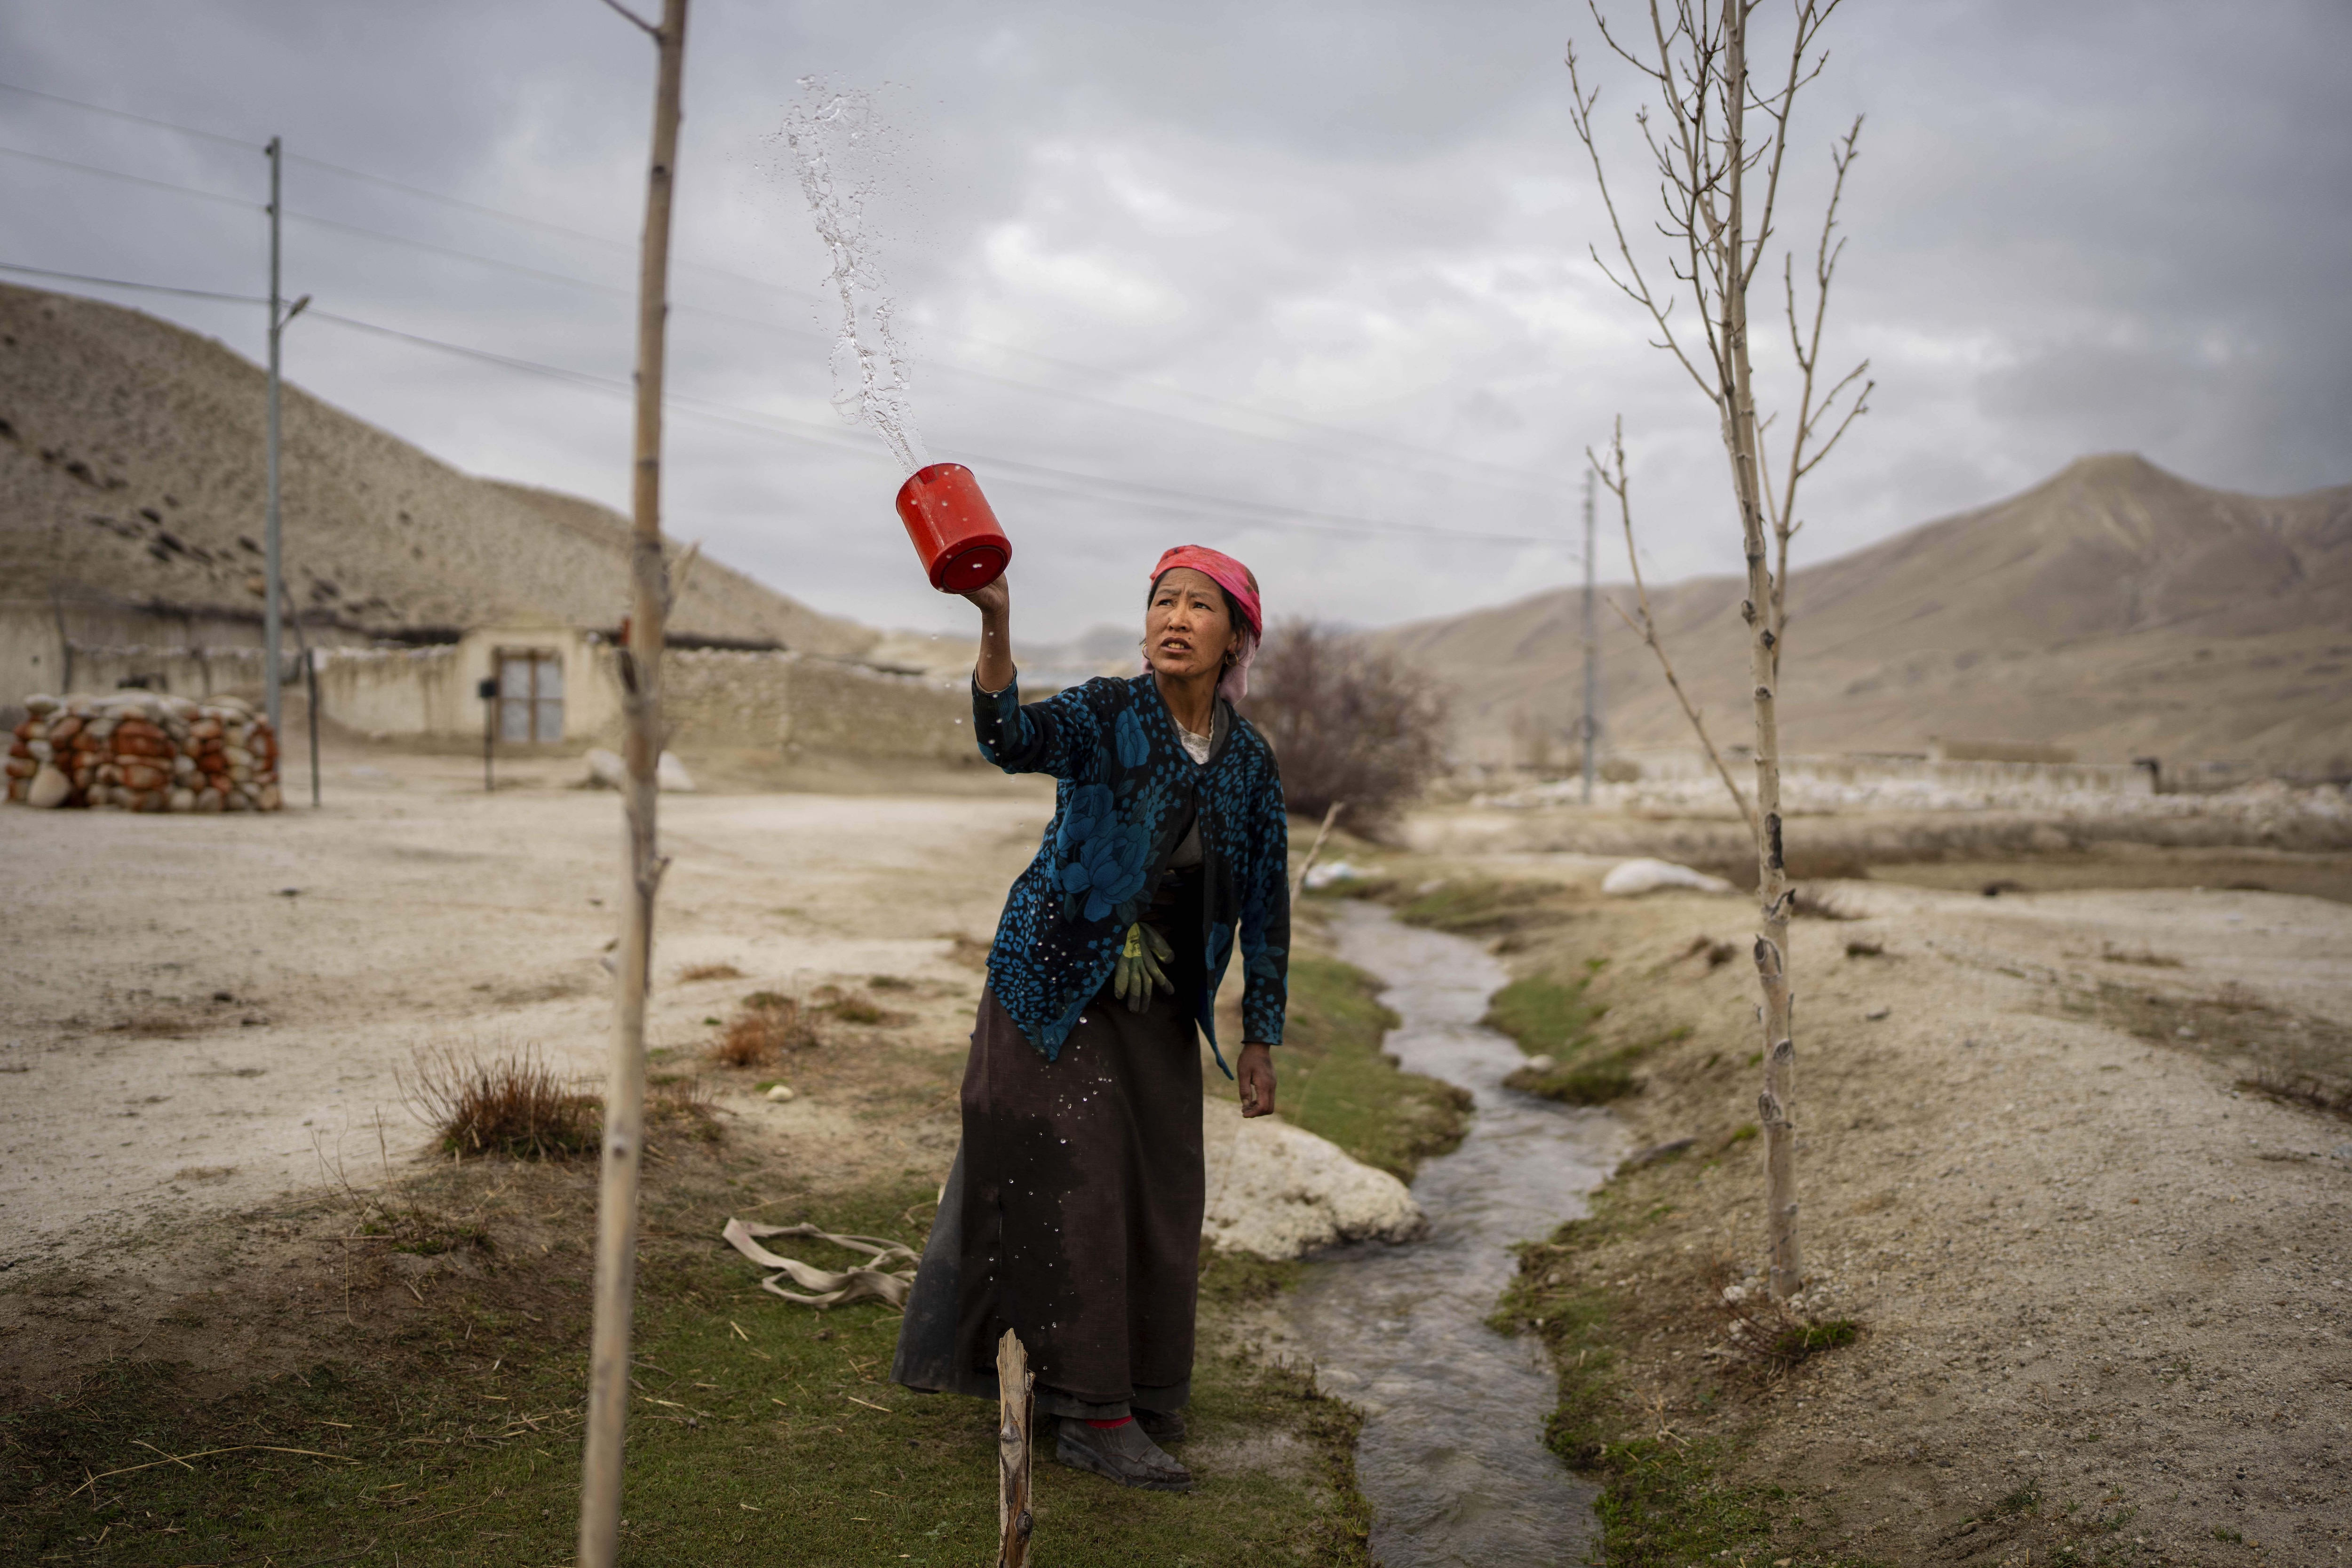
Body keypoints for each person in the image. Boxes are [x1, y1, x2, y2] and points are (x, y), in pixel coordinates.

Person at [890, 545, 1290, 1493]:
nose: (1175, 617)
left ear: (1236, 636)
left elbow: (1267, 901)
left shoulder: (1248, 760)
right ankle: (1089, 1412)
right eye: (1163, 600)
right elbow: (1008, 740)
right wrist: (995, 624)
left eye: (1200, 605)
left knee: (1161, 1189)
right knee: (1075, 1182)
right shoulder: (1107, 710)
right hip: (1052, 982)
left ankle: (1142, 1384)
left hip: (1154, 999)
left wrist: (1260, 1032)